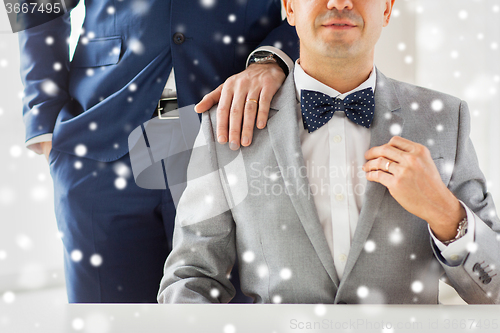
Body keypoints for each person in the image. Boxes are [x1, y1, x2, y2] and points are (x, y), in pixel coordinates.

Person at [158, 0, 500, 304]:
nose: (340, 3)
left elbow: (495, 289)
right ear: (289, 8)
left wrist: (445, 213)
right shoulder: (227, 124)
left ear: (387, 8)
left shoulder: (446, 119)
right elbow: (191, 278)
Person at [17, 0, 299, 302]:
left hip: (233, 135)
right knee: (110, 322)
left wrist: (273, 57)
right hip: (101, 140)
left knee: (228, 319)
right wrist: (42, 118)